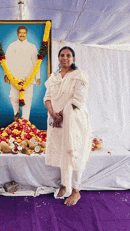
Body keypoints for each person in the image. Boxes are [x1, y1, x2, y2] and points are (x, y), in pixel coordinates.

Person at [44, 46, 92, 206]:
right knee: (60, 151)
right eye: (62, 55)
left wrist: (61, 115)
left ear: (73, 58)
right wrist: (52, 112)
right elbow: (47, 97)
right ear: (58, 58)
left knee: (74, 151)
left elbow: (78, 99)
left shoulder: (80, 76)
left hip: (74, 120)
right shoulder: (54, 77)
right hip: (55, 120)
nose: (65, 58)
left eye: (68, 55)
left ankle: (76, 191)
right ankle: (65, 185)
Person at [4, 26, 40, 120]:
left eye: (24, 33)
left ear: (26, 34)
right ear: (17, 33)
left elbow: (36, 62)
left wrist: (38, 77)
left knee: (27, 99)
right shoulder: (12, 46)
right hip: (15, 76)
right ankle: (16, 113)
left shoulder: (32, 46)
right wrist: (6, 74)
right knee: (13, 96)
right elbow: (7, 60)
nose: (22, 34)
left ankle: (25, 120)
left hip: (28, 77)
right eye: (20, 32)